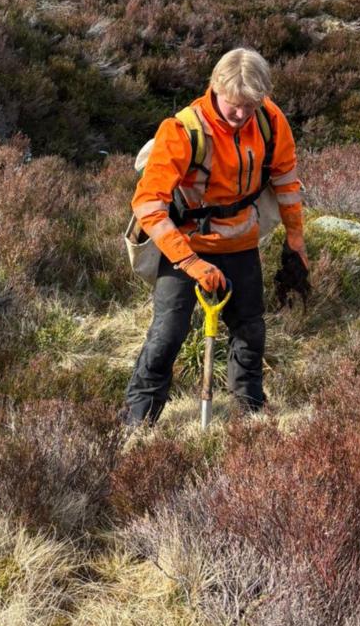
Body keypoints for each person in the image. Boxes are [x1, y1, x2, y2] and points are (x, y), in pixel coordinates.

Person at [122, 47, 305, 425]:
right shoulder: (182, 130)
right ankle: (137, 422)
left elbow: (286, 181)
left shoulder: (271, 121)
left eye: (250, 107)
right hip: (186, 247)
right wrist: (190, 263)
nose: (241, 116)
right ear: (215, 88)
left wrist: (296, 241)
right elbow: (148, 204)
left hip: (241, 243)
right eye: (234, 105)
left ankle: (250, 415)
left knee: (251, 332)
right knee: (167, 336)